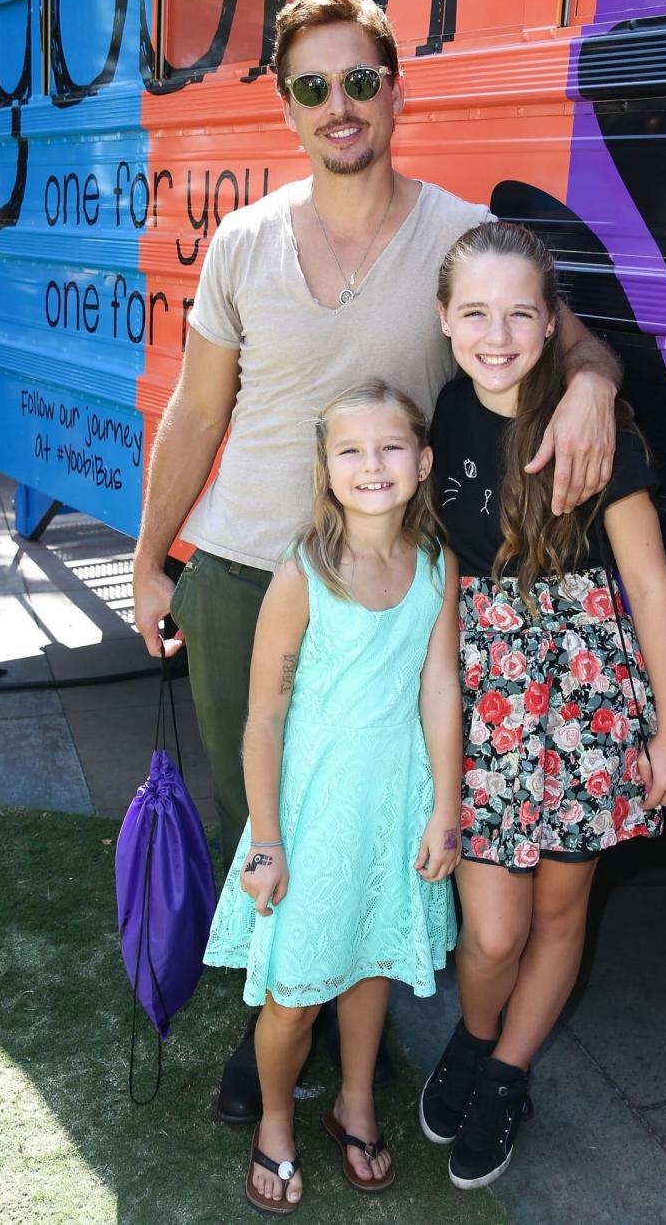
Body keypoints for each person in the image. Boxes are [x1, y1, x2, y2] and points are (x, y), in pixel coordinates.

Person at [132, 0, 623, 1124]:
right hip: (246, 572)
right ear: (286, 108)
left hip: (388, 589)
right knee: (262, 814)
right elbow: (197, 417)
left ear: (395, 91)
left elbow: (570, 334)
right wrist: (155, 556)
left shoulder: (457, 234)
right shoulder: (245, 241)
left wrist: (593, 383)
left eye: (360, 80)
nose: (338, 104)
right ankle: (280, 1023)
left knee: (367, 812)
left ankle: (340, 1021)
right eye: (313, 86)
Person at [419, 222, 666, 1188]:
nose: (497, 334)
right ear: (446, 320)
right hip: (488, 702)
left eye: (520, 314)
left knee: (559, 911)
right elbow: (440, 579)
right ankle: (476, 1029)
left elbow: (651, 586)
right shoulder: (443, 418)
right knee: (492, 930)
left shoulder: (593, 427)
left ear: (551, 325)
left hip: (585, 701)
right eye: (476, 313)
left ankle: (503, 1074)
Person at [203, 381, 462, 1213]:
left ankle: (355, 1104)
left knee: (372, 962)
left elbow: (440, 689)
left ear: (422, 464)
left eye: (389, 448)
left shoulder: (435, 566)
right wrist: (268, 838)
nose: (371, 466)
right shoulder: (302, 573)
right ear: (325, 467)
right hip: (312, 813)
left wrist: (447, 807)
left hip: (393, 807)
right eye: (350, 450)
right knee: (294, 993)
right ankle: (275, 1121)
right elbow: (265, 715)